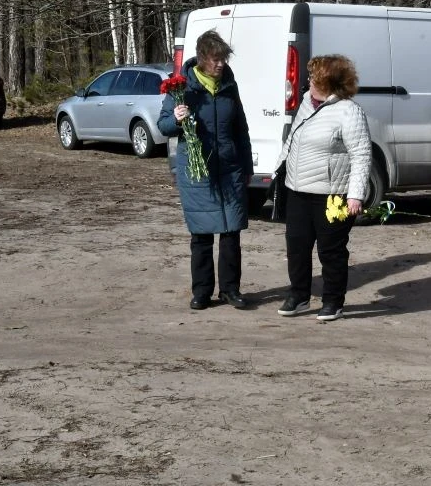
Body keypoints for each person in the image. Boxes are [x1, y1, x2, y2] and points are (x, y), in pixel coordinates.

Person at [157, 29, 253, 311]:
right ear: (202, 58)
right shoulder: (182, 88)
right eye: (215, 59)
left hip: (230, 168)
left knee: (231, 232)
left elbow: (241, 130)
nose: (221, 64)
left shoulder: (229, 87)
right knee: (201, 235)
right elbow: (163, 126)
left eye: (223, 59)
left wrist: (246, 165)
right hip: (197, 172)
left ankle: (230, 290)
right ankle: (201, 291)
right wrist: (175, 119)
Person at [274, 55, 372, 322]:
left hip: (334, 194)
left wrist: (355, 195)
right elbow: (293, 139)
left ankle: (333, 301)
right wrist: (278, 169)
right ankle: (299, 296)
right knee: (297, 247)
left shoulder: (349, 111)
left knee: (331, 251)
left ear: (328, 83)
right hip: (298, 190)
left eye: (313, 78)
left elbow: (362, 156)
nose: (308, 82)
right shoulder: (307, 102)